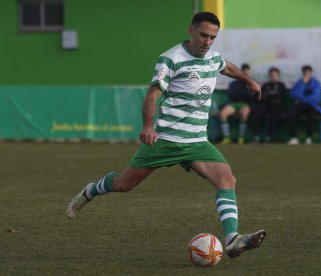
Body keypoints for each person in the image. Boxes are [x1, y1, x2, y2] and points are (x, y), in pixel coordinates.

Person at [66, 12, 265, 259]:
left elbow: (227, 67)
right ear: (191, 30)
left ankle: (232, 239)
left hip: (196, 141)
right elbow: (152, 94)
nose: (207, 42)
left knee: (227, 180)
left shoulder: (212, 58)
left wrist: (249, 80)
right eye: (203, 35)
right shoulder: (171, 59)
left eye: (213, 37)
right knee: (123, 185)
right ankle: (90, 191)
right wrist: (148, 126)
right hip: (166, 139)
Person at [287, 65, 321, 145]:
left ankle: (309, 137)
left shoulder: (317, 83)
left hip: (312, 105)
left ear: (311, 73)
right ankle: (294, 137)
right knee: (290, 112)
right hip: (300, 105)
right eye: (305, 73)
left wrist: (302, 98)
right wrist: (303, 84)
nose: (306, 75)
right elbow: (294, 95)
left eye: (308, 73)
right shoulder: (299, 83)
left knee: (311, 114)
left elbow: (316, 98)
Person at [251, 67, 288, 143]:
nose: (273, 76)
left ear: (278, 75)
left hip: (276, 106)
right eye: (272, 75)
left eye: (275, 75)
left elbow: (282, 98)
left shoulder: (281, 86)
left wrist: (271, 98)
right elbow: (260, 96)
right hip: (264, 105)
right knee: (255, 115)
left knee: (274, 115)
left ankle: (268, 136)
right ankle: (256, 136)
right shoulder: (265, 85)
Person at [219, 64, 253, 144]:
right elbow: (232, 94)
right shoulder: (234, 84)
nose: (246, 74)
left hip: (244, 104)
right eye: (244, 72)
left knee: (244, 114)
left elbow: (250, 97)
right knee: (223, 114)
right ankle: (227, 137)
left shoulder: (251, 83)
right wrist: (243, 94)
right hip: (234, 104)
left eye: (248, 72)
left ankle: (241, 137)